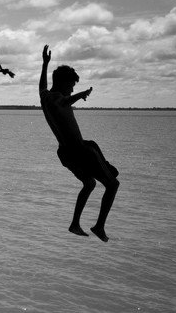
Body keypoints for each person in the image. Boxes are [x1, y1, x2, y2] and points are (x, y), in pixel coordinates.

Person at [39, 45, 119, 242]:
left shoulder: (45, 96)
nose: (72, 89)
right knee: (113, 184)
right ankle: (99, 226)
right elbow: (62, 102)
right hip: (79, 152)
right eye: (71, 85)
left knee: (90, 182)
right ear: (64, 83)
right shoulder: (58, 98)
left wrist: (45, 64)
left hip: (65, 154)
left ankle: (75, 224)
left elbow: (42, 86)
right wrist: (79, 95)